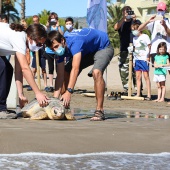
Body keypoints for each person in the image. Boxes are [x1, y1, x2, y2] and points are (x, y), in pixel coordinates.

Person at [46, 28, 114, 121]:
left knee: (96, 72)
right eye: (52, 49)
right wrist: (54, 99)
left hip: (103, 47)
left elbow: (75, 69)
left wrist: (69, 91)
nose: (55, 50)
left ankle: (100, 110)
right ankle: (64, 107)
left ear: (62, 40)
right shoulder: (59, 51)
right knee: (66, 71)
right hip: (87, 51)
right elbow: (60, 75)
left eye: (56, 46)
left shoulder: (75, 42)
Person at [0, 23, 49, 118]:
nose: (39, 47)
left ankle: (1, 107)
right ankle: (0, 109)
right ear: (30, 37)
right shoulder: (19, 39)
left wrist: (21, 95)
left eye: (41, 45)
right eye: (38, 43)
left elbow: (18, 71)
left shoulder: (22, 39)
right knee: (4, 68)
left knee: (7, 68)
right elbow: (25, 69)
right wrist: (38, 93)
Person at [114, 6, 141, 96]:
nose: (128, 13)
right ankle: (126, 89)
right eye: (126, 12)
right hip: (124, 50)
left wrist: (134, 19)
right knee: (123, 70)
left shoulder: (135, 22)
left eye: (129, 12)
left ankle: (138, 90)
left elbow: (140, 29)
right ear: (123, 13)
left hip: (135, 49)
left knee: (135, 71)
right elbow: (116, 27)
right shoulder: (121, 22)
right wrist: (124, 18)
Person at [129, 23, 151, 100]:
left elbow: (149, 46)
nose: (133, 31)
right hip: (137, 59)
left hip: (144, 59)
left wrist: (148, 57)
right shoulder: (134, 39)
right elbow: (135, 49)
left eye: (134, 29)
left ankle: (149, 94)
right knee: (138, 77)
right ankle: (138, 94)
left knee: (146, 76)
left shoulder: (145, 36)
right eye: (132, 30)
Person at [44, 12, 64, 92]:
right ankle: (51, 85)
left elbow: (62, 35)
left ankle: (59, 84)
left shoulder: (60, 27)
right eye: (51, 19)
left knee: (58, 68)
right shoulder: (48, 28)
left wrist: (58, 26)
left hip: (57, 51)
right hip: (49, 51)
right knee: (50, 68)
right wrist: (47, 26)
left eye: (54, 18)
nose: (53, 20)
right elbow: (45, 35)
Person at [27, 15, 48, 91]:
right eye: (34, 21)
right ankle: (31, 84)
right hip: (35, 51)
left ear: (38, 20)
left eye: (36, 20)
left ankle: (45, 85)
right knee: (33, 69)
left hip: (42, 51)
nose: (35, 22)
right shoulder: (32, 28)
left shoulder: (43, 27)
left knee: (43, 69)